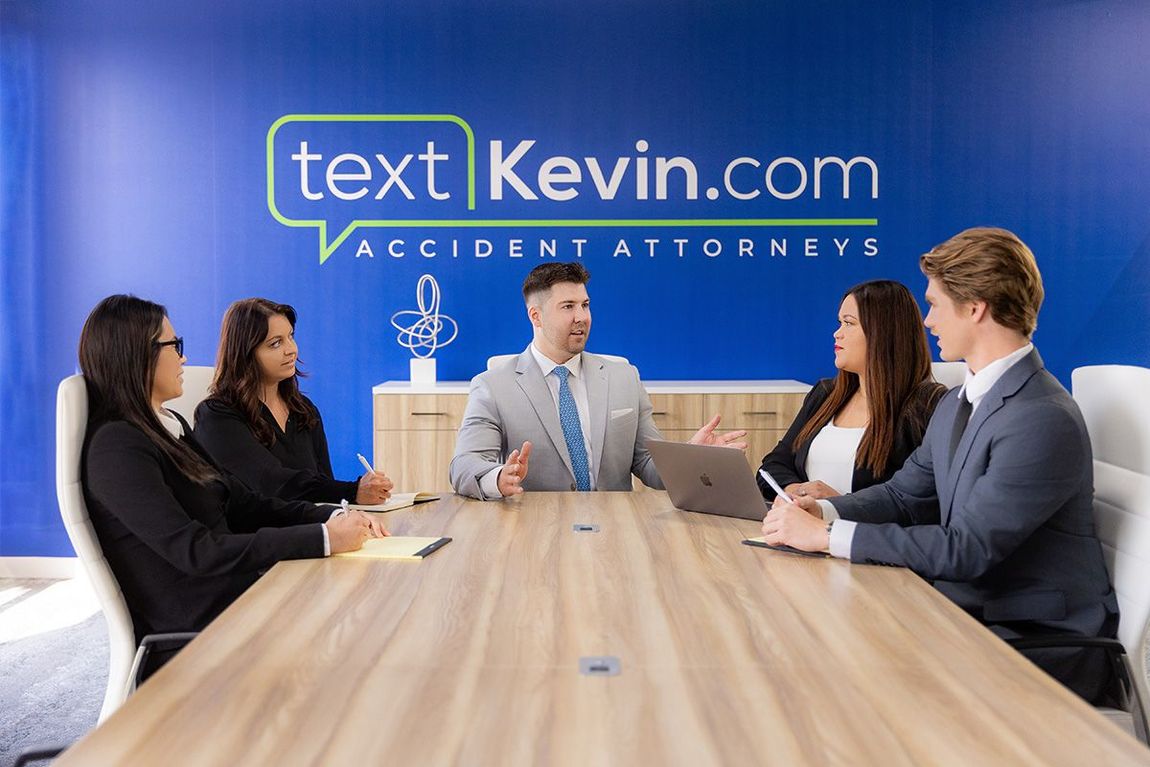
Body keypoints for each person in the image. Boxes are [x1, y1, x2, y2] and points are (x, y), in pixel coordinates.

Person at [761, 227, 1118, 703]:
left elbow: (967, 549)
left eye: (935, 304)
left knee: (833, 666)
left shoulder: (1040, 416)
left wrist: (826, 539)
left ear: (975, 308)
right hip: (967, 607)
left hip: (1028, 635)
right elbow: (903, 495)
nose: (927, 321)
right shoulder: (959, 402)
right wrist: (824, 512)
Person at [80, 295, 386, 652]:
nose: (184, 357)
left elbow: (243, 503)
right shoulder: (117, 447)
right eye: (174, 345)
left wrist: (334, 515)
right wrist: (324, 538)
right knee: (363, 623)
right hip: (207, 630)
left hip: (242, 596)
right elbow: (197, 552)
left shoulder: (170, 426)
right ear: (136, 354)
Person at [450, 262, 746, 499]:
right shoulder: (493, 386)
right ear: (536, 316)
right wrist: (499, 478)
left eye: (585, 305)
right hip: (534, 531)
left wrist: (692, 458)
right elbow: (464, 467)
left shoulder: (624, 377)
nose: (582, 317)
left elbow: (648, 465)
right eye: (568, 306)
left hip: (615, 532)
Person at [757, 280, 946, 503]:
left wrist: (840, 505)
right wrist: (796, 490)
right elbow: (773, 465)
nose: (837, 334)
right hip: (801, 530)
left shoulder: (928, 405)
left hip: (864, 535)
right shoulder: (826, 394)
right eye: (839, 323)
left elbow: (925, 501)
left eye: (849, 323)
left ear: (884, 332)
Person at [194, 298, 393, 505]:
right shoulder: (217, 415)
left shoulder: (304, 410)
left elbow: (324, 488)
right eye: (275, 343)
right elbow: (271, 482)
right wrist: (352, 491)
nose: (291, 350)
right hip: (258, 535)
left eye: (290, 337)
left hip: (313, 530)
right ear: (245, 353)